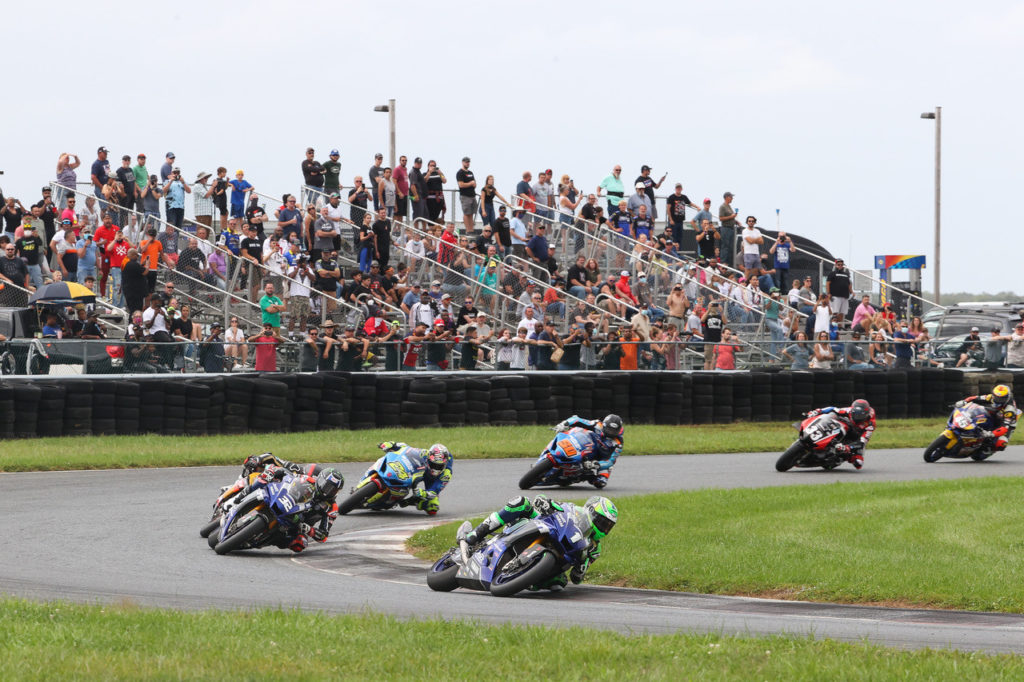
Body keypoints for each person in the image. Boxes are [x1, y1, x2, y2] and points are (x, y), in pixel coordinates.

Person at [463, 494, 618, 590]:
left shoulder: (594, 549)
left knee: (559, 584)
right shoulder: (573, 510)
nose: (604, 528)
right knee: (521, 502)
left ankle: (525, 578)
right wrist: (544, 502)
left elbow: (576, 578)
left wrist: (581, 568)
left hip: (559, 558)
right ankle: (476, 533)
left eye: (608, 526)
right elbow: (553, 503)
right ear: (590, 512)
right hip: (543, 526)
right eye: (602, 522)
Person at [237, 464, 344, 553]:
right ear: (320, 480)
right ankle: (239, 497)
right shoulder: (307, 479)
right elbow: (288, 475)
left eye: (333, 490)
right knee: (257, 479)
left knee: (300, 544)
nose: (328, 491)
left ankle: (264, 541)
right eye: (327, 486)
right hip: (284, 502)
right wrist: (273, 472)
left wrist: (308, 530)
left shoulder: (331, 508)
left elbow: (323, 536)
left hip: (298, 524)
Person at [373, 442, 453, 515]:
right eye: (433, 464)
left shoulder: (446, 475)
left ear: (445, 464)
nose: (436, 468)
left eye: (439, 466)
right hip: (424, 469)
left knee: (432, 508)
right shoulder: (424, 453)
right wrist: (392, 444)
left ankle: (411, 500)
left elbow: (435, 490)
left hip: (432, 479)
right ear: (429, 458)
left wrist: (424, 493)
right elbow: (406, 448)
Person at [547, 414, 624, 488]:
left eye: (614, 431)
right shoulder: (597, 424)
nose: (611, 432)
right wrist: (564, 424)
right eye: (609, 429)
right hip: (585, 445)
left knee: (600, 483)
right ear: (604, 425)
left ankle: (584, 476)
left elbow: (610, 461)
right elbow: (577, 419)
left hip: (599, 459)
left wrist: (596, 464)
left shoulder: (618, 443)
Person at [802, 399, 876, 469]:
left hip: (856, 436)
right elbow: (833, 409)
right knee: (831, 415)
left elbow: (862, 442)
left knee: (858, 463)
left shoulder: (870, 425)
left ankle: (840, 458)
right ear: (852, 410)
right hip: (845, 426)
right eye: (855, 414)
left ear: (866, 415)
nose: (857, 417)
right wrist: (817, 411)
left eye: (860, 416)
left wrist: (848, 447)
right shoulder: (848, 410)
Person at [956, 385, 1019, 457]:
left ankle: (990, 450)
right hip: (996, 413)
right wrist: (964, 401)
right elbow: (975, 398)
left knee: (1001, 443)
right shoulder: (992, 397)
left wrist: (991, 434)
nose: (998, 400)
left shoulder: (1010, 410)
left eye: (1001, 398)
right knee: (981, 413)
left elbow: (1004, 428)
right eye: (996, 397)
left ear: (1007, 397)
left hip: (1006, 423)